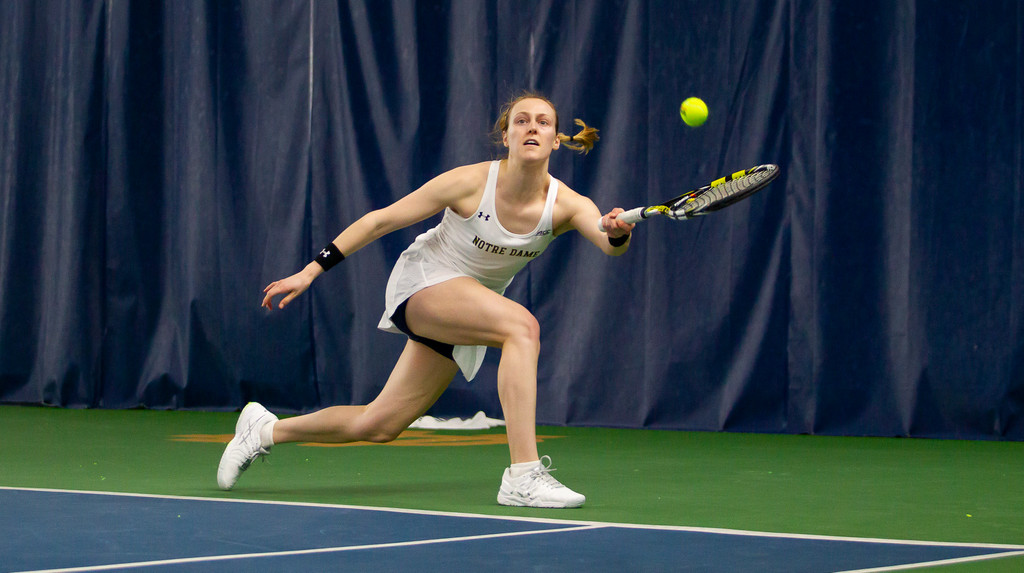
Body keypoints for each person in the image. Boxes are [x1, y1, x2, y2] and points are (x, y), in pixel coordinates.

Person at [217, 92, 635, 508]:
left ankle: (264, 430)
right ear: (506, 135)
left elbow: (608, 242)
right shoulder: (470, 183)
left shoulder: (567, 204)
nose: (532, 128)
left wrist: (617, 233)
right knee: (522, 327)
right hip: (426, 283)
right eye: (521, 120)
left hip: (470, 309)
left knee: (379, 424)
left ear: (556, 140)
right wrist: (311, 270)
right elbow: (379, 221)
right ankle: (523, 474)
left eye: (543, 122)